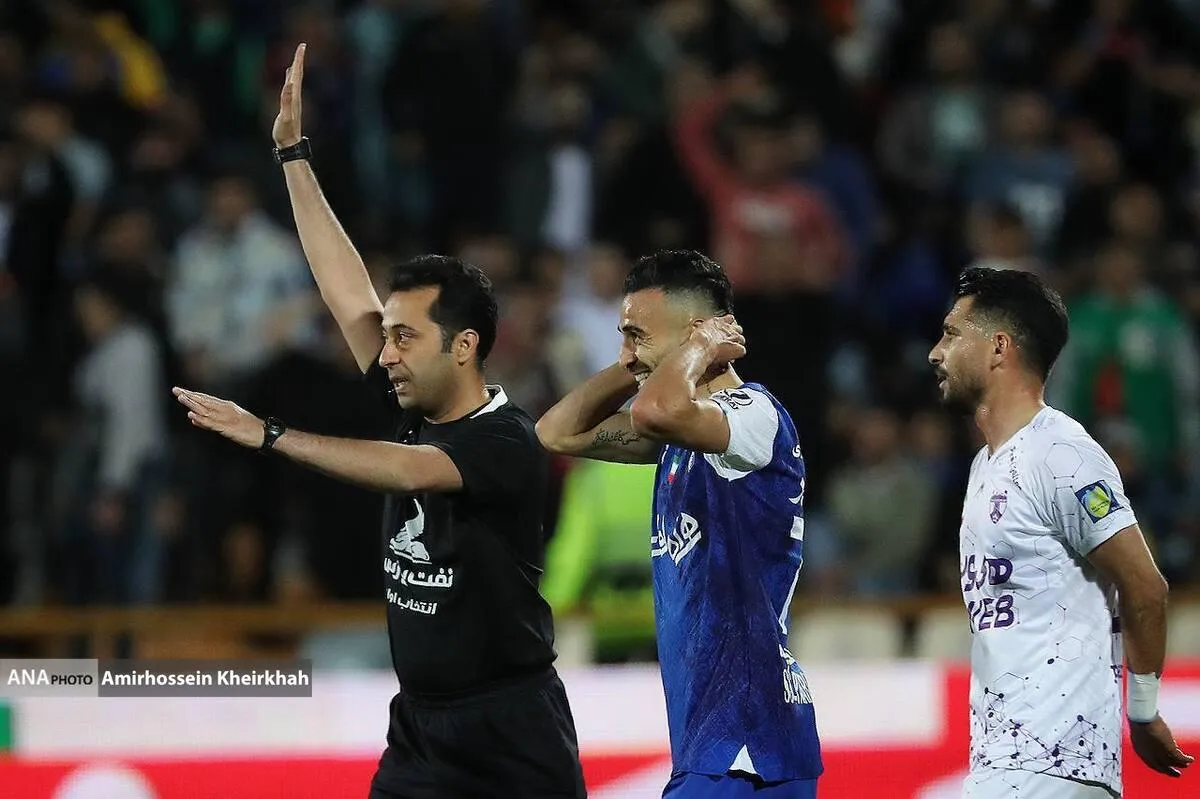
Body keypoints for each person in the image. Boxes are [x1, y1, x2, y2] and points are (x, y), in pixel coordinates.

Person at [173, 44, 586, 799]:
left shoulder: (505, 439)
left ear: (464, 346)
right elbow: (345, 288)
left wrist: (269, 433)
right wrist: (292, 156)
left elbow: (408, 470)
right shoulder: (410, 401)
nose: (384, 351)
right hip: (421, 731)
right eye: (386, 335)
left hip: (512, 735)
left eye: (404, 337)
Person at [536, 249, 822, 798]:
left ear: (698, 333)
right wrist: (640, 362)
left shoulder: (753, 416)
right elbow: (556, 432)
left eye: (636, 335)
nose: (625, 353)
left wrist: (695, 348)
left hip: (745, 741)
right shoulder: (678, 439)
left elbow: (657, 411)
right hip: (720, 744)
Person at [927, 266, 1194, 798]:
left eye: (952, 334)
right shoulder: (985, 465)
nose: (936, 352)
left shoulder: (1060, 453)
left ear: (998, 347)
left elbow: (1145, 584)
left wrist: (1142, 712)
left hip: (1055, 763)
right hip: (1006, 762)